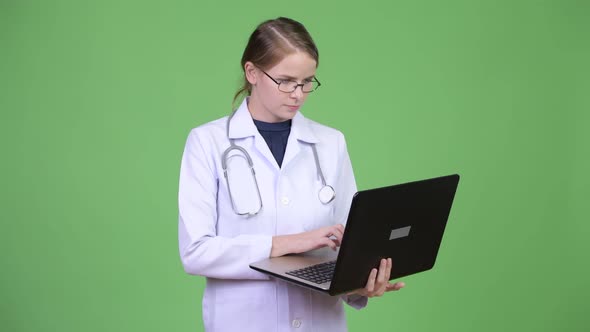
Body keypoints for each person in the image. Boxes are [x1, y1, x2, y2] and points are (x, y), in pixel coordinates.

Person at [178, 17, 405, 332]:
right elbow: (196, 252)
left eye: (307, 81)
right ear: (252, 72)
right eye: (285, 81)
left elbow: (347, 241)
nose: (297, 93)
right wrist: (289, 243)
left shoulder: (330, 143)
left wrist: (359, 284)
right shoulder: (208, 142)